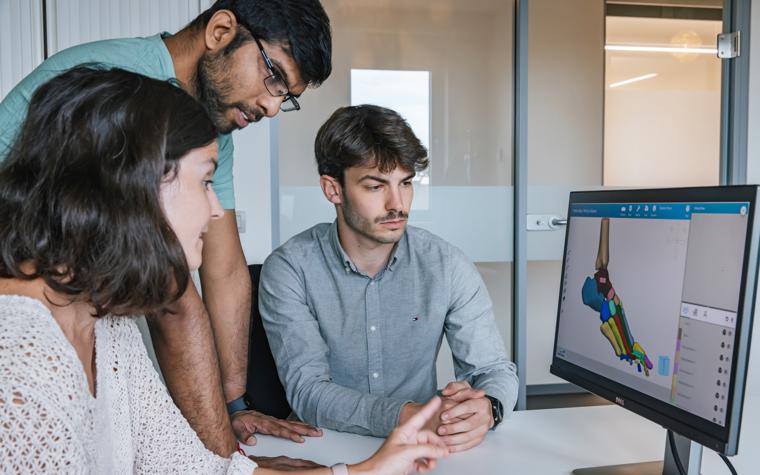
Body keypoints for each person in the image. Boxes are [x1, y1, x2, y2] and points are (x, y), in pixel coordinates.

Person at [0, 66, 449, 474]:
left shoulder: (104, 323)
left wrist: (368, 471)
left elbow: (194, 468)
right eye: (206, 181)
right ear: (134, 186)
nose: (216, 211)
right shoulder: (18, 358)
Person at [0, 0, 332, 456]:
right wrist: (230, 461)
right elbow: (175, 298)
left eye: (286, 96)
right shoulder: (117, 84)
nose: (273, 106)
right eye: (272, 76)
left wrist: (236, 407)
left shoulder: (211, 125)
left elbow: (226, 267)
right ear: (220, 31)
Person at [259, 105, 520, 453]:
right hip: (324, 449)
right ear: (333, 189)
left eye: (406, 183)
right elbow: (308, 392)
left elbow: (493, 369)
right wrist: (407, 416)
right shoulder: (290, 269)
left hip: (425, 446)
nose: (397, 204)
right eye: (375, 186)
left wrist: (488, 408)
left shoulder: (446, 264)